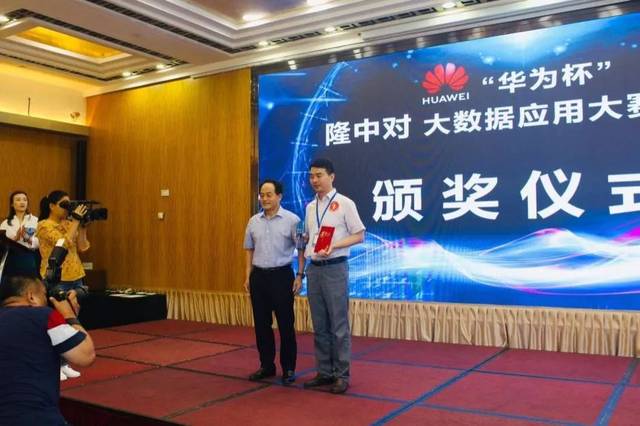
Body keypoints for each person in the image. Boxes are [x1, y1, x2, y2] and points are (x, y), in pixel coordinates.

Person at [302, 158, 365, 394]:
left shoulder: (345, 203)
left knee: (338, 325)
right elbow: (310, 236)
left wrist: (335, 245)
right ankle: (324, 372)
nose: (314, 180)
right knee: (320, 324)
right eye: (311, 176)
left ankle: (341, 375)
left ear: (332, 176)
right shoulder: (310, 207)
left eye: (319, 175)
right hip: (314, 268)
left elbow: (359, 235)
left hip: (335, 267)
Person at [0, 276, 95, 425]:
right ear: (31, 297)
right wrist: (69, 315)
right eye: (44, 295)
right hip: (37, 417)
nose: (47, 301)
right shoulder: (45, 316)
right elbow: (86, 355)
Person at [243, 179, 305, 384]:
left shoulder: (293, 220)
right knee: (262, 325)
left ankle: (288, 368)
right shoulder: (253, 221)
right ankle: (266, 366)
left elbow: (301, 249)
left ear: (279, 196)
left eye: (269, 195)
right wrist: (248, 275)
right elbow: (249, 249)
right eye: (262, 195)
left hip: (282, 276)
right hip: (259, 277)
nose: (265, 199)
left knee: (286, 325)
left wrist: (300, 275)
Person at [36, 190, 90, 381]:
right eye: (63, 204)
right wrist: (75, 221)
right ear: (51, 206)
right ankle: (52, 364)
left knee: (71, 321)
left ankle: (64, 363)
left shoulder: (69, 223)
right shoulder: (44, 225)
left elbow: (83, 247)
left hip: (76, 276)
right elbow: (64, 243)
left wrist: (83, 226)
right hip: (57, 278)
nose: (67, 208)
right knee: (56, 323)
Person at [0, 191, 40, 283]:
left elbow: (41, 241)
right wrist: (15, 238)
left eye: (25, 200)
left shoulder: (35, 220)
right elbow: (1, 243)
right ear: (12, 204)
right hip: (11, 258)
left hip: (29, 257)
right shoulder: (5, 223)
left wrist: (28, 238)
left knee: (29, 284)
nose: (22, 202)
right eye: (18, 200)